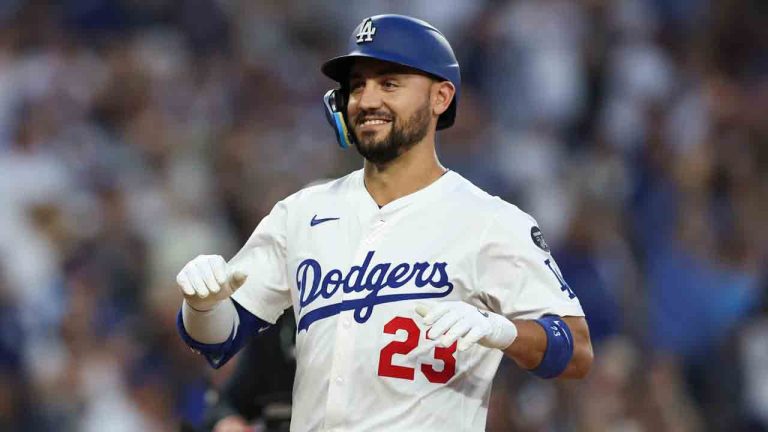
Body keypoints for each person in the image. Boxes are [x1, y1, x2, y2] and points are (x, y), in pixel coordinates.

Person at [176, 14, 593, 432]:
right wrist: (201, 306)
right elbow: (219, 336)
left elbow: (576, 349)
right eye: (357, 85)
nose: (367, 100)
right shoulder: (301, 212)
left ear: (440, 97)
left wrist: (502, 331)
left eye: (389, 83)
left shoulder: (490, 221)